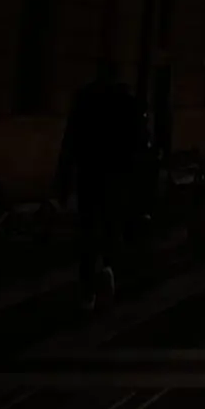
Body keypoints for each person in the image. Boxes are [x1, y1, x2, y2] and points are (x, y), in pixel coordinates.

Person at [56, 60, 143, 310]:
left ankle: (87, 289)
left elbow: (70, 139)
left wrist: (63, 177)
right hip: (116, 174)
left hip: (90, 172)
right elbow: (136, 145)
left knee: (88, 231)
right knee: (111, 226)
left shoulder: (85, 99)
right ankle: (107, 268)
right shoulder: (128, 102)